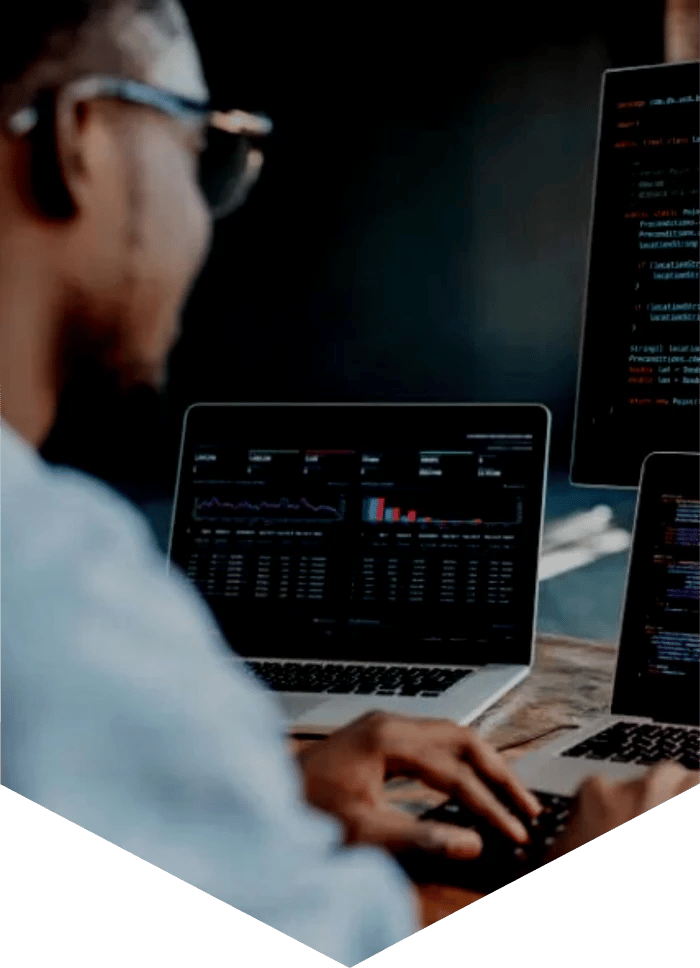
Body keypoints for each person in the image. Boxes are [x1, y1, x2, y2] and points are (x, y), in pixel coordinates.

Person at [0, 2, 696, 964]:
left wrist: (264, 800)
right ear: (82, 141)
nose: (204, 218)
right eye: (204, 152)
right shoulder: (58, 597)